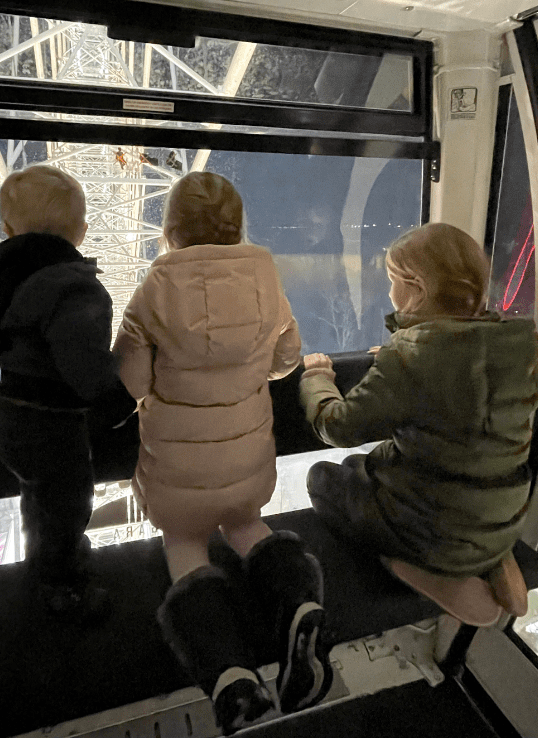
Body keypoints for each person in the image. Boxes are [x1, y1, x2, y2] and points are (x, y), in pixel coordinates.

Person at [114, 171, 328, 732]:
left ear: (170, 229)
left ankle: (231, 675)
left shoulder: (156, 285)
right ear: (237, 226)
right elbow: (287, 356)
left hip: (178, 469)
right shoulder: (265, 276)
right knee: (246, 525)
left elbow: (131, 374)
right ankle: (298, 602)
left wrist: (156, 392)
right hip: (247, 459)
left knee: (185, 544)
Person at [300, 222, 537, 621]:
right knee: (411, 477)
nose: (389, 292)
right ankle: (493, 556)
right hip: (504, 513)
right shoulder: (523, 345)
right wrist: (397, 360)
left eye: (393, 281)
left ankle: (427, 574)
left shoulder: (411, 358)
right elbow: (460, 383)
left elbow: (337, 426)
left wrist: (317, 380)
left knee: (325, 477)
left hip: (431, 530)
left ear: (417, 289)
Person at [0, 164, 134, 619]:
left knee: (41, 496)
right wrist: (116, 401)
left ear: (7, 228)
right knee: (69, 500)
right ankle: (60, 586)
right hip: (50, 418)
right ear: (82, 230)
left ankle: (51, 555)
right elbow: (83, 360)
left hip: (6, 412)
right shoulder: (74, 286)